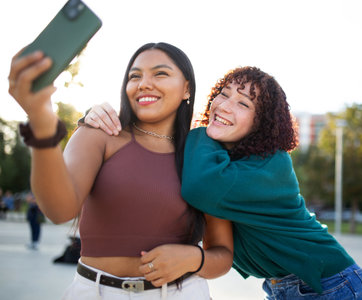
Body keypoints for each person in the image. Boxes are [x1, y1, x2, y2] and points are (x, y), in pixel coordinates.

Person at [84, 66, 362, 299]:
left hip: (330, 285)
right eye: (223, 94)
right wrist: (98, 120)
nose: (224, 106)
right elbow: (156, 149)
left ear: (261, 123)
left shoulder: (272, 163)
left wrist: (199, 130)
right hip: (287, 286)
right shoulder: (223, 156)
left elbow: (201, 187)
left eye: (243, 103)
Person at [8, 42, 233, 300]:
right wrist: (42, 124)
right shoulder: (99, 133)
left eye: (160, 73)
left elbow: (223, 255)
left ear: (187, 89)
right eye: (134, 76)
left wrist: (194, 258)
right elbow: (59, 210)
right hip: (95, 292)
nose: (143, 83)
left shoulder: (204, 153)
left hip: (182, 293)